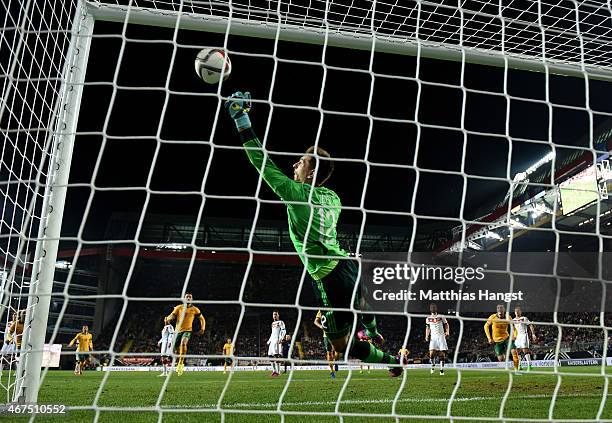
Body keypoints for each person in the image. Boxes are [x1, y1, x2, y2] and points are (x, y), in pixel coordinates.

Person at [225, 91, 400, 377]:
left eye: (300, 162)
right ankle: (372, 329)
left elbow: (261, 162)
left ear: (311, 172)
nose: (294, 165)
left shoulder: (295, 194)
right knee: (362, 301)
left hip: (329, 276)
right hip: (348, 266)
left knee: (342, 347)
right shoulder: (333, 198)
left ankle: (391, 360)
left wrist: (241, 118)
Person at [166, 293, 205, 376]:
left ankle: (181, 363)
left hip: (188, 330)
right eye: (187, 297)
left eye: (190, 297)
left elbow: (202, 319)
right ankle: (177, 363)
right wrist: (168, 318)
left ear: (192, 299)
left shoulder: (195, 309)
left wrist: (203, 328)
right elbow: (172, 315)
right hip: (177, 331)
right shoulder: (178, 308)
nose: (188, 298)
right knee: (175, 349)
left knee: (183, 343)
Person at [484, 304, 519, 372]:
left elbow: (514, 328)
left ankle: (516, 370)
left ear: (504, 310)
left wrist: (514, 336)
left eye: (501, 308)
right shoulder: (492, 317)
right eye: (498, 308)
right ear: (497, 310)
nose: (500, 309)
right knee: (501, 359)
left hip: (507, 338)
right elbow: (486, 326)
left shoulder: (508, 317)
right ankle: (506, 357)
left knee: (514, 352)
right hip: (497, 341)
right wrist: (489, 338)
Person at [425, 303, 449, 375]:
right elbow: (427, 328)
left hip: (441, 337)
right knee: (431, 354)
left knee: (442, 355)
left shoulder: (441, 316)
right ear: (430, 309)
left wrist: (447, 332)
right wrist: (426, 336)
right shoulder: (428, 318)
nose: (433, 308)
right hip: (433, 338)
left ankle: (441, 370)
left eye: (434, 307)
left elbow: (446, 324)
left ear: (436, 308)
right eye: (431, 307)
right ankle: (433, 365)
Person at [512, 306, 537, 371]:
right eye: (516, 312)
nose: (517, 313)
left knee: (525, 350)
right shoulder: (513, 320)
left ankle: (529, 365)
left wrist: (533, 334)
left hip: (524, 335)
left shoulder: (524, 318)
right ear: (514, 313)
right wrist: (513, 335)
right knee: (518, 351)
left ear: (520, 312)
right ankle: (519, 366)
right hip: (518, 336)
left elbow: (530, 325)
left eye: (518, 311)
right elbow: (514, 328)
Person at [267, 310, 286, 377]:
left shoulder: (281, 322)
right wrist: (269, 341)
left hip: (277, 341)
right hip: (272, 342)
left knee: (276, 356)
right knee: (270, 356)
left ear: (278, 315)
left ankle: (278, 372)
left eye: (275, 314)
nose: (274, 316)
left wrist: (281, 339)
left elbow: (284, 331)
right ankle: (274, 371)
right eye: (273, 314)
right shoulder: (272, 323)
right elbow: (272, 333)